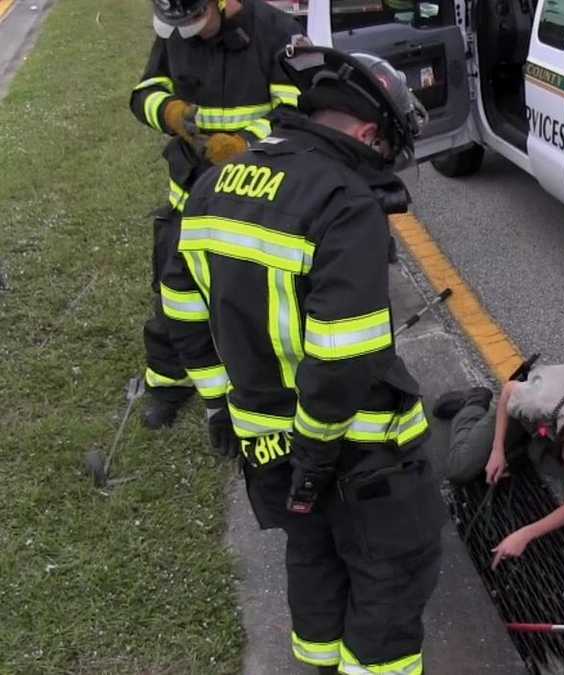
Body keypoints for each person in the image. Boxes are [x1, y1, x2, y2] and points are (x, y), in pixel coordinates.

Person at [160, 43, 441, 674]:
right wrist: (315, 454)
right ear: (368, 134)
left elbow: (182, 313)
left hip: (267, 448)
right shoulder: (345, 204)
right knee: (392, 581)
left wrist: (221, 407)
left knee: (313, 560)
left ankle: (319, 663)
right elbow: (343, 356)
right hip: (358, 453)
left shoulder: (211, 186)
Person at [129, 0, 302, 430]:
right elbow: (144, 92)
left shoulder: (278, 32)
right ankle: (167, 383)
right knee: (173, 297)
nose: (189, 32)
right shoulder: (175, 31)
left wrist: (245, 144)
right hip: (189, 196)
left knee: (249, 299)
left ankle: (257, 385)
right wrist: (169, 112)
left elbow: (296, 111)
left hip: (254, 195)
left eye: (196, 21)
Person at [433, 361, 564, 568]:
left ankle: (527, 444)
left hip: (550, 423)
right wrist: (497, 451)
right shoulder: (538, 402)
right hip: (531, 405)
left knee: (545, 463)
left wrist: (524, 534)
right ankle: (473, 402)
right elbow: (508, 391)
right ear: (562, 442)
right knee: (460, 468)